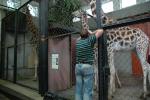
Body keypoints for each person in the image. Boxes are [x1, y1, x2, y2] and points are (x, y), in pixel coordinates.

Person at [75, 29, 103, 100]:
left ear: (80, 36)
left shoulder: (78, 42)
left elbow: (80, 37)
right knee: (87, 90)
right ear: (88, 35)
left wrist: (85, 33)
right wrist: (91, 32)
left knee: (78, 89)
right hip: (87, 66)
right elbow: (101, 31)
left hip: (78, 66)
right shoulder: (90, 40)